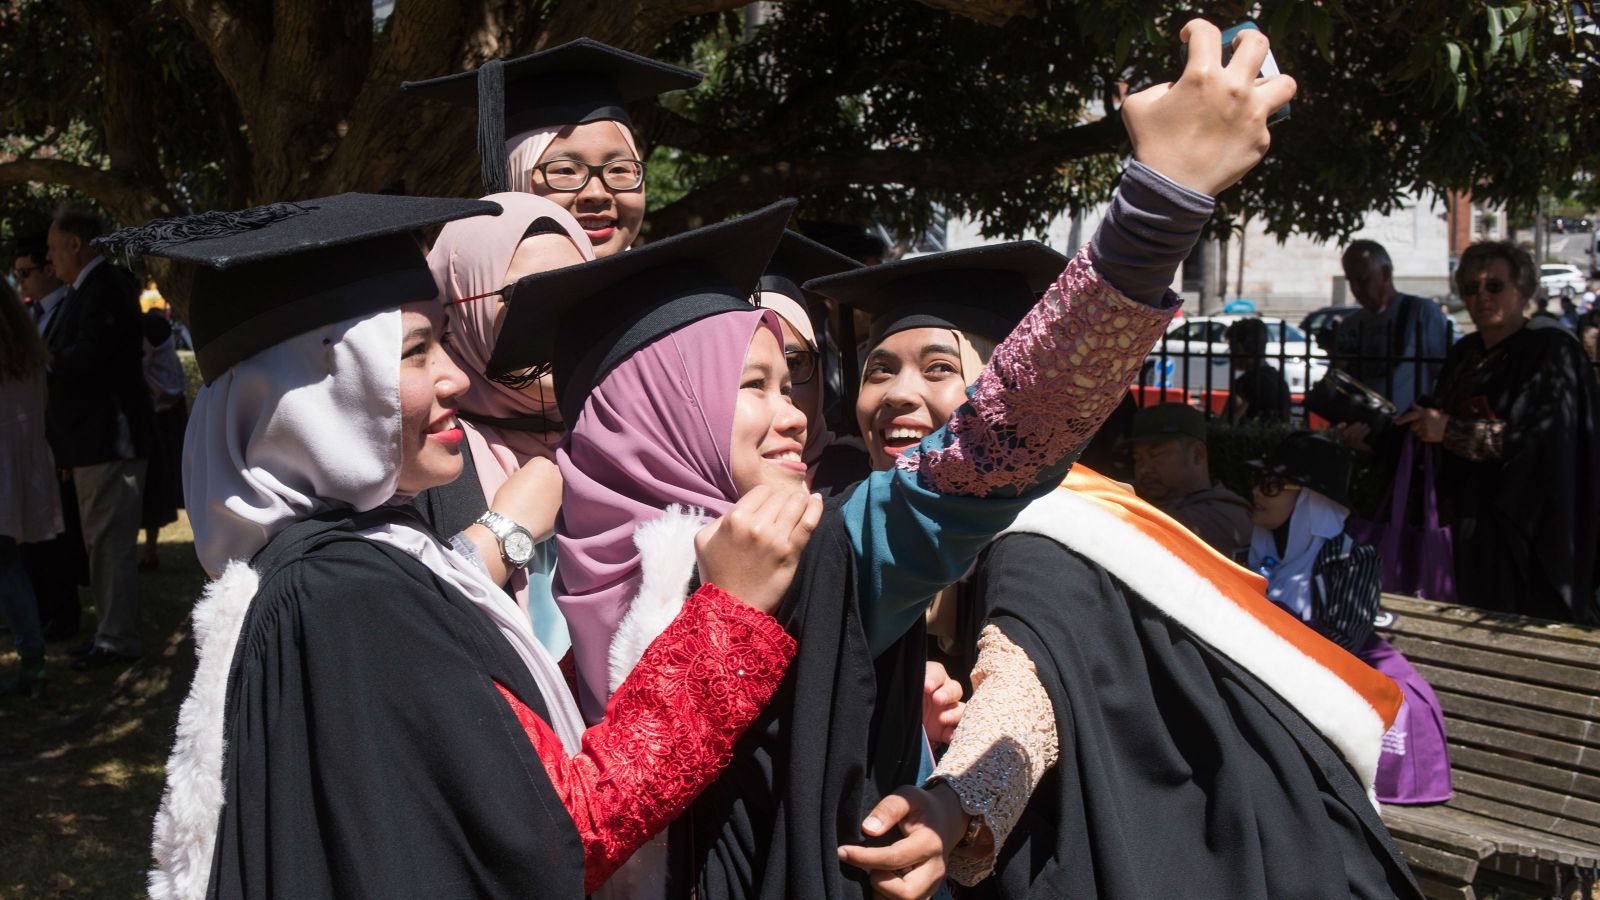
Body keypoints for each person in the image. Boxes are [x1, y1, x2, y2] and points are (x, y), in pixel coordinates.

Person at [485, 20, 1296, 895]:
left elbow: (999, 439)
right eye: (750, 386)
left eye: (793, 380)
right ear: (657, 415)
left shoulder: (822, 551)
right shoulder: (528, 593)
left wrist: (1156, 211)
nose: (795, 413)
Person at [110, 194, 812, 899]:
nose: (454, 376)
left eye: (446, 340)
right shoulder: (348, 596)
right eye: (416, 351)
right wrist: (726, 619)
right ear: (311, 390)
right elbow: (560, 830)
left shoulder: (338, 565)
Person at [837, 306, 1419, 899]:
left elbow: (1024, 689)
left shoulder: (1042, 529)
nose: (898, 394)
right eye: (877, 371)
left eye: (939, 368)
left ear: (1002, 390)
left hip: (1205, 843)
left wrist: (958, 802)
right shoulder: (884, 525)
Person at [411, 193, 594, 656]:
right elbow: (401, 635)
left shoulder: (625, 435)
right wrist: (508, 530)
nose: (561, 318)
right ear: (456, 311)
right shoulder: (420, 457)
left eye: (583, 290)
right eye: (525, 296)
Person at [1398, 240, 1600, 625]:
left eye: (1494, 286)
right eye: (1471, 288)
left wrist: (1449, 431)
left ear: (1523, 291)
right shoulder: (1467, 352)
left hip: (1527, 533)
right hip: (1465, 525)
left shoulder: (1551, 350)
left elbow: (1542, 443)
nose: (1481, 297)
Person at [1247, 431, 1452, 806]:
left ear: (1312, 500)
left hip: (1347, 692)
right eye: (1257, 481)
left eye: (1272, 484)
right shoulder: (1252, 551)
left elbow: (1340, 647)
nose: (1257, 493)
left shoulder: (1351, 560)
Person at [404, 38, 700, 258]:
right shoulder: (461, 322)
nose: (597, 194)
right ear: (511, 185)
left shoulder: (678, 311)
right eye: (566, 170)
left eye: (621, 168)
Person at [44, 207, 154, 669]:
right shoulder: (85, 289)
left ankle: (116, 639)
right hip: (94, 440)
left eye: (52, 249)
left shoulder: (104, 287)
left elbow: (92, 357)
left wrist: (43, 360)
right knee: (102, 542)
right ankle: (109, 633)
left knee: (110, 542)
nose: (50, 259)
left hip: (110, 438)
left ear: (76, 244)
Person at [754, 230, 870, 494]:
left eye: (794, 364)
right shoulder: (693, 503)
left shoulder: (859, 489)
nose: (780, 397)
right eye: (750, 376)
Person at [11, 237, 85, 640]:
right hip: (38, 442)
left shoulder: (67, 308)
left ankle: (60, 614)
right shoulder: (32, 318)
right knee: (35, 540)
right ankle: (43, 614)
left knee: (59, 537)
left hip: (56, 442)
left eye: (25, 273)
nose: (21, 282)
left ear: (46, 270)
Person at [0, 277, 62, 698]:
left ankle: (33, 660)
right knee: (8, 566)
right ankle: (33, 661)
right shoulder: (28, 354)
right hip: (19, 468)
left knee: (7, 567)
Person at [1334, 239, 1453, 411]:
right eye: (1350, 281)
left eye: (1363, 280)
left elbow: (1443, 375)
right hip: (1362, 429)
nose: (1355, 289)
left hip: (1408, 430)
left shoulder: (1421, 312)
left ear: (1385, 273)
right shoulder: (1351, 323)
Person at [1128, 403, 1253, 559]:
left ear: (1197, 454)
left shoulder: (1220, 516)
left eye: (1156, 455)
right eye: (1137, 458)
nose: (1144, 469)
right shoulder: (1134, 495)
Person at [137, 308, 189, 570]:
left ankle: (149, 549)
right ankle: (149, 548)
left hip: (157, 421)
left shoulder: (147, 329)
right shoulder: (154, 327)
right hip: (161, 418)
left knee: (154, 485)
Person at [1223, 316, 1290, 423]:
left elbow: (1227, 423)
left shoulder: (1245, 383)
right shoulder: (1278, 379)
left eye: (1231, 348)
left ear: (1239, 348)